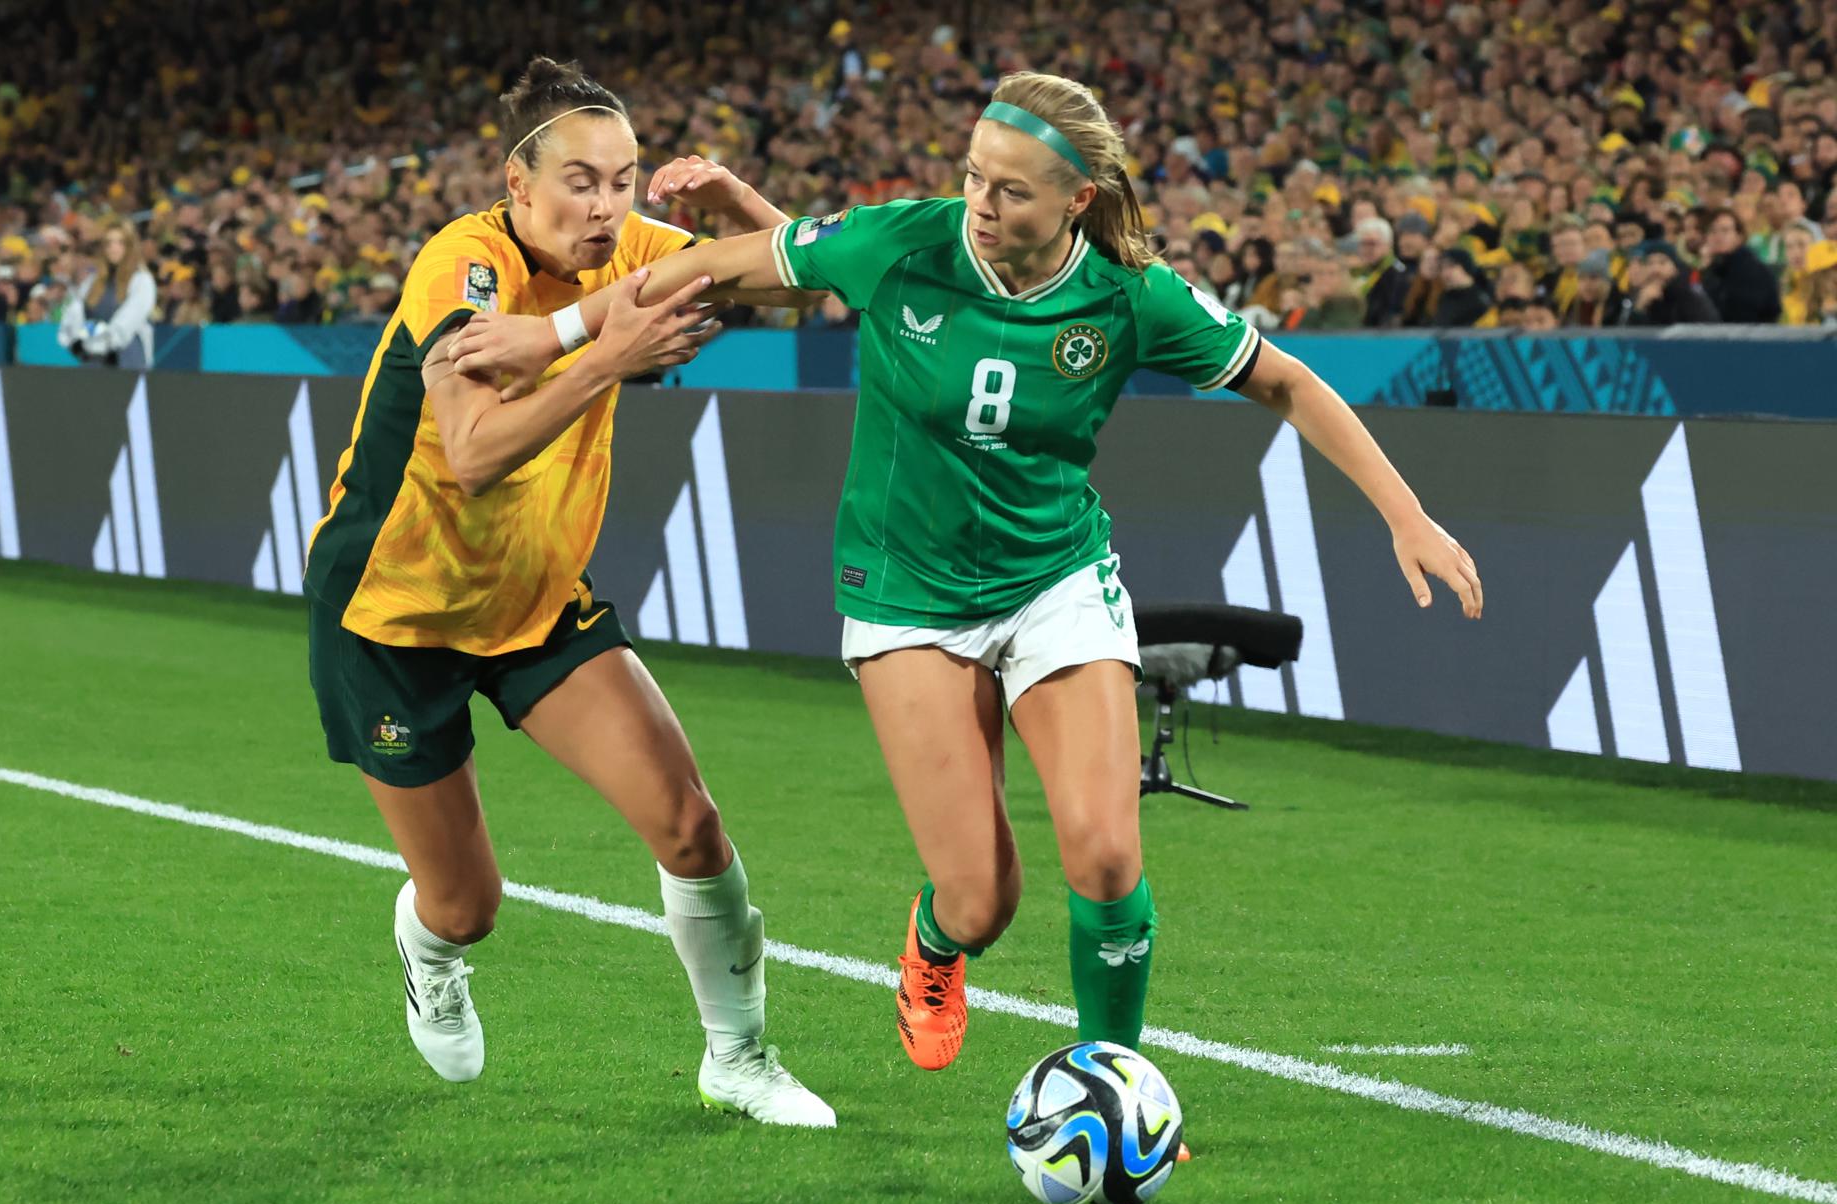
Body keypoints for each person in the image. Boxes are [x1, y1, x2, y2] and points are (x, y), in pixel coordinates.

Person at [447, 71, 1481, 1097]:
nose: (981, 206)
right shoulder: (910, 238)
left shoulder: (1131, 295)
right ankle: (939, 937)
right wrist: (549, 335)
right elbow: (714, 267)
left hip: (1055, 581)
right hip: (907, 593)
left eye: (1011, 191)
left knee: (1108, 855)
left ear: (1079, 199)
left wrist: (1408, 512)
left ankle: (1113, 1082)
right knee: (981, 899)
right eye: (975, 178)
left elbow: (1286, 380)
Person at [303, 57, 833, 1126]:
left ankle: (739, 1057)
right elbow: (474, 449)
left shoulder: (632, 252)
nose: (606, 207)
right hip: (393, 613)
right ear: (518, 186)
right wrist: (606, 354)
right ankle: (430, 946)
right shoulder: (463, 269)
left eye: (626, 181)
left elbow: (799, 283)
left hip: (538, 599)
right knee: (468, 903)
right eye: (582, 182)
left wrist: (739, 209)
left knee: (689, 822)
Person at [56, 218, 157, 367]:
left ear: (130, 246)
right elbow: (74, 316)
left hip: (126, 359)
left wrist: (99, 338)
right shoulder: (93, 281)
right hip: (92, 359)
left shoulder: (141, 280)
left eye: (120, 242)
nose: (113, 248)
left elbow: (126, 324)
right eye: (108, 243)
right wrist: (78, 340)